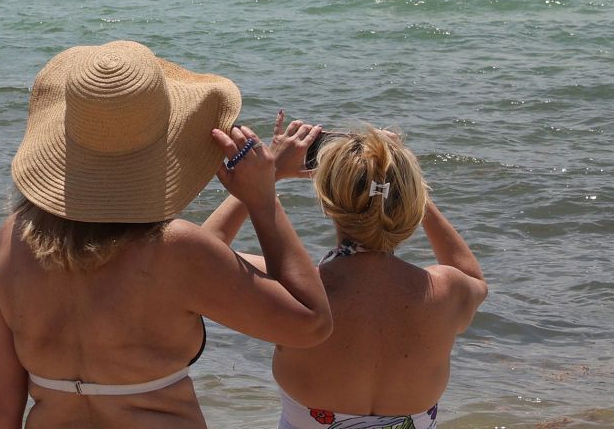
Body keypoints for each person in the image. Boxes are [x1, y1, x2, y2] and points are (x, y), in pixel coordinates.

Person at [0, 40, 333, 428]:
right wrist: (262, 199)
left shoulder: (14, 242)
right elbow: (310, 323)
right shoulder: (178, 254)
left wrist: (266, 182)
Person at [205, 117, 487, 429]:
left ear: (327, 205)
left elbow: (200, 257)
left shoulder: (297, 297)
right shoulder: (445, 292)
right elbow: (472, 278)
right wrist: (409, 186)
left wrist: (267, 179)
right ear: (411, 202)